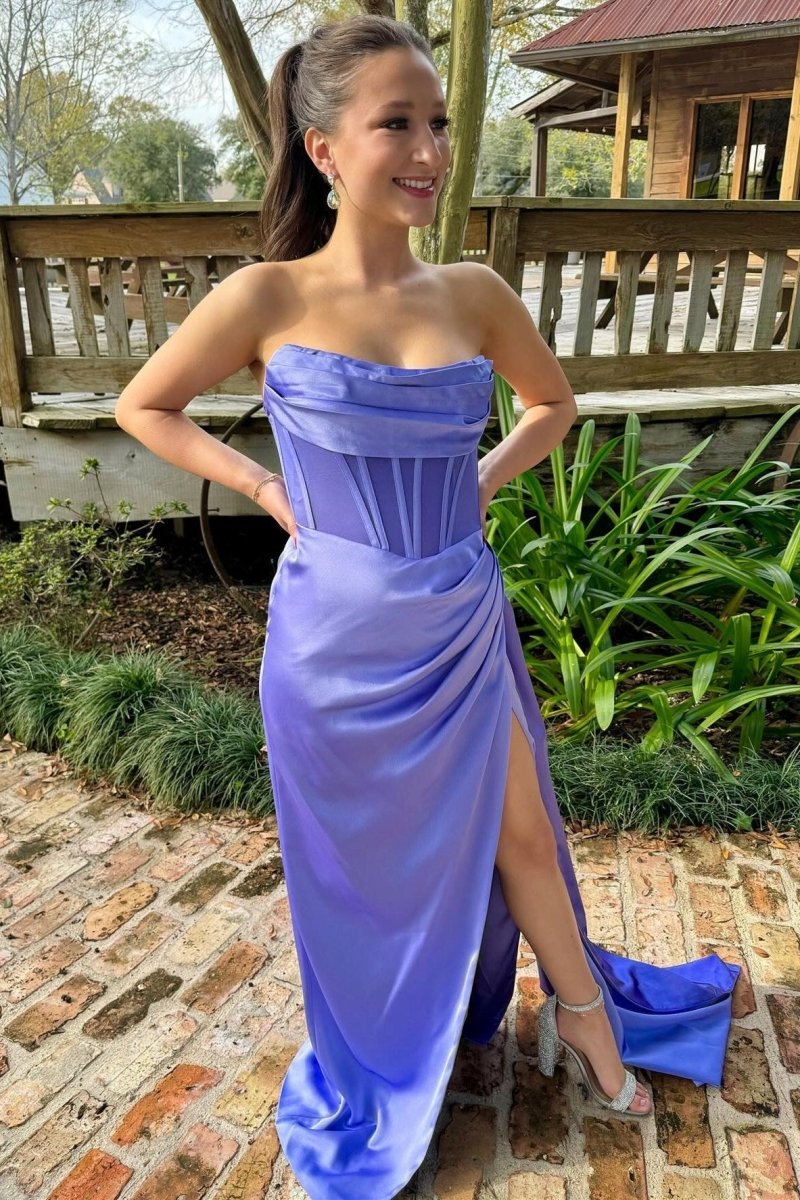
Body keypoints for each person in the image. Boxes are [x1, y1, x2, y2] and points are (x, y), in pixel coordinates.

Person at [115, 14, 740, 1200]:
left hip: (454, 610)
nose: (428, 149)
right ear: (322, 148)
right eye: (394, 123)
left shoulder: (474, 293)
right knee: (360, 881)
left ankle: (585, 1021)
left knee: (520, 834)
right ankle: (392, 1047)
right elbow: (143, 405)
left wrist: (475, 484)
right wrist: (262, 487)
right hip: (334, 640)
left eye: (438, 123)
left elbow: (551, 406)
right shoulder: (265, 295)